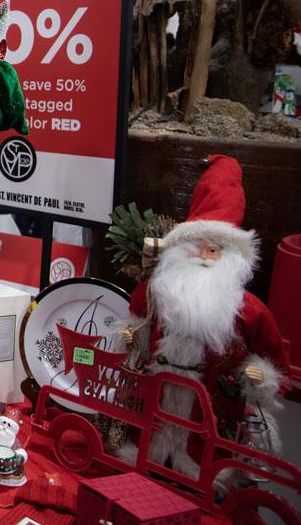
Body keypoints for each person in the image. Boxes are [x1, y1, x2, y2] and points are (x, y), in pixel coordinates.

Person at [123, 155, 288, 486]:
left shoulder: (249, 310)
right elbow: (137, 324)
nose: (203, 258)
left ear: (231, 257)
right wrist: (131, 339)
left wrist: (261, 376)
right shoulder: (155, 293)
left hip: (210, 412)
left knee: (206, 448)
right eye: (195, 249)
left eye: (213, 251)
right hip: (154, 404)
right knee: (148, 437)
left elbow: (271, 357)